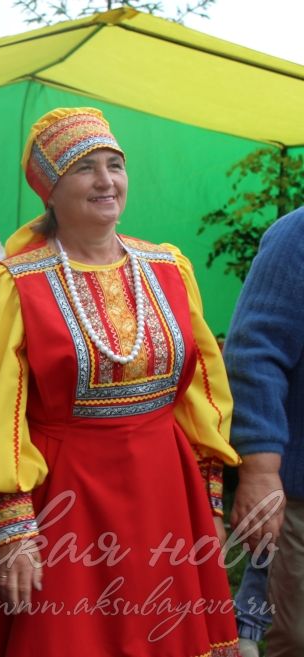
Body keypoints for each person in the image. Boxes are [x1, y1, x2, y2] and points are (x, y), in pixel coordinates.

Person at [0, 107, 239, 657]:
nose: (106, 181)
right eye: (85, 168)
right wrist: (12, 527)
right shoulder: (11, 284)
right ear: (50, 190)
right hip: (65, 499)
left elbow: (201, 392)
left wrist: (210, 502)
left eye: (115, 165)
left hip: (166, 489)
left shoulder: (170, 268)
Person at [225, 206, 304, 657]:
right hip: (299, 495)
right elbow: (254, 352)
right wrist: (260, 469)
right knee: (293, 636)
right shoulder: (297, 236)